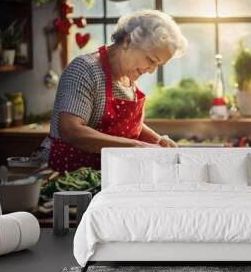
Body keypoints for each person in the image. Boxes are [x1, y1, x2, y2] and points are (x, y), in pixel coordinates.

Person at [42, 9, 188, 172]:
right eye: (151, 60)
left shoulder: (129, 78)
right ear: (127, 41)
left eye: (157, 65)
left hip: (107, 174)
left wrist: (158, 141)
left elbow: (128, 128)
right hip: (70, 175)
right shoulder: (85, 70)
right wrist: (135, 146)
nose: (151, 70)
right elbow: (71, 130)